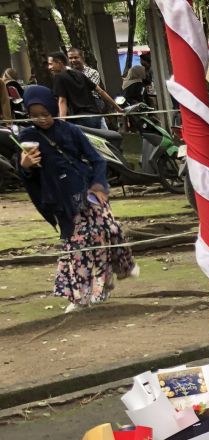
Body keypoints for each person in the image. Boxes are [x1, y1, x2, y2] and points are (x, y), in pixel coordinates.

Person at [16, 85, 135, 312]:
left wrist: (99, 185)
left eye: (45, 113)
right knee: (76, 246)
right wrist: (26, 166)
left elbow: (97, 160)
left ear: (53, 108)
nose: (41, 119)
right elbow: (27, 176)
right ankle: (79, 296)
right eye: (35, 115)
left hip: (89, 193)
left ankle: (104, 286)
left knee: (105, 235)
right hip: (61, 201)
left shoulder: (71, 131)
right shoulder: (27, 137)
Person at [47, 52, 120, 130]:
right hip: (97, 117)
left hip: (81, 120)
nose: (49, 67)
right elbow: (100, 91)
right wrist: (118, 108)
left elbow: (62, 101)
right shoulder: (79, 74)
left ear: (59, 62)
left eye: (51, 64)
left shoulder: (59, 77)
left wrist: (62, 122)